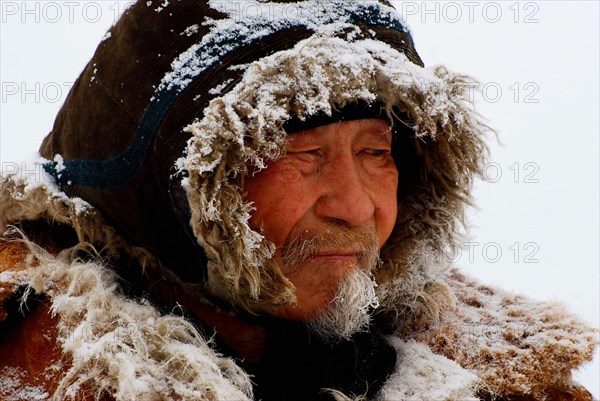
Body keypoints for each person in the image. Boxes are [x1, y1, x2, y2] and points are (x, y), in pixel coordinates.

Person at [0, 1, 597, 400]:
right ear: (170, 190)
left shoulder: (498, 377)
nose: (357, 208)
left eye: (376, 153)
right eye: (302, 155)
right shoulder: (33, 375)